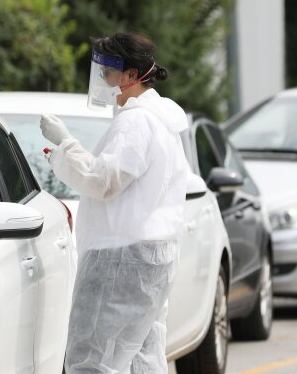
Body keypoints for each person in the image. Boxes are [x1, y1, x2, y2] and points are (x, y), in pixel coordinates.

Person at [39, 31, 188, 374]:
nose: (103, 79)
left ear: (131, 75)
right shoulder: (162, 120)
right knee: (141, 358)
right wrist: (64, 154)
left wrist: (65, 144)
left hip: (121, 258)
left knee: (92, 361)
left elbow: (104, 181)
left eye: (108, 71)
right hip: (154, 258)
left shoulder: (136, 121)